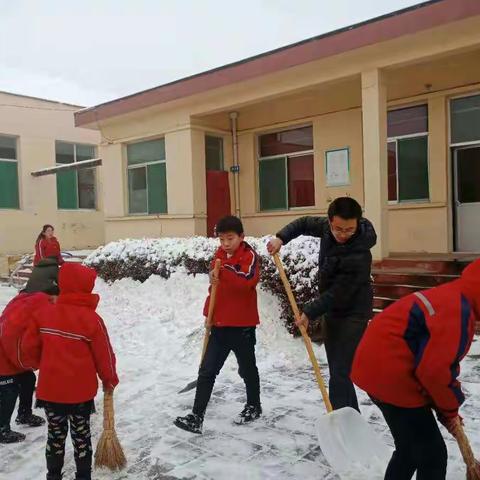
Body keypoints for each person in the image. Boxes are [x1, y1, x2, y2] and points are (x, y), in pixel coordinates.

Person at [351, 259, 480, 480]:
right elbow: (434, 372)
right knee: (433, 456)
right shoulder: (458, 311)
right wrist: (449, 410)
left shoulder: (456, 296)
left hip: (375, 367)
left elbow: (436, 360)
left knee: (409, 449)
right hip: (390, 375)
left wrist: (446, 406)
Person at [267, 197, 376, 411]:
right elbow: (304, 223)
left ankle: (343, 421)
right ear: (329, 221)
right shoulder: (326, 228)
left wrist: (309, 312)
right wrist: (281, 238)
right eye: (338, 229)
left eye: (349, 230)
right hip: (333, 311)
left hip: (354, 312)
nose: (343, 234)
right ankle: (350, 417)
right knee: (339, 369)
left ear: (358, 223)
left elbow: (339, 292)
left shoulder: (360, 252)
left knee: (340, 372)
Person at [20, 263, 119, 480]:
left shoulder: (44, 313)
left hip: (51, 393)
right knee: (81, 436)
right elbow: (105, 356)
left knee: (55, 436)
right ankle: (83, 476)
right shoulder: (92, 320)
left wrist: (41, 364)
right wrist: (109, 379)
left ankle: (53, 475)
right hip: (80, 396)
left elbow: (28, 350)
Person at [175, 215, 261, 434]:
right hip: (220, 324)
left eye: (230, 238)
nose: (225, 244)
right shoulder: (219, 256)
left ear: (241, 237)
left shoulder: (249, 256)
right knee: (207, 370)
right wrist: (208, 314)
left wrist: (223, 271)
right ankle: (196, 417)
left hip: (242, 325)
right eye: (221, 239)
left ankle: (254, 405)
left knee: (247, 369)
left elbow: (246, 281)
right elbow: (215, 290)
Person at [0, 259, 59, 443]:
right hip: (4, 354)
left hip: (12, 352)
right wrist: (25, 362)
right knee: (9, 389)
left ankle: (24, 414)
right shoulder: (40, 303)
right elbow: (13, 334)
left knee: (27, 379)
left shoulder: (27, 297)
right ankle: (2, 429)